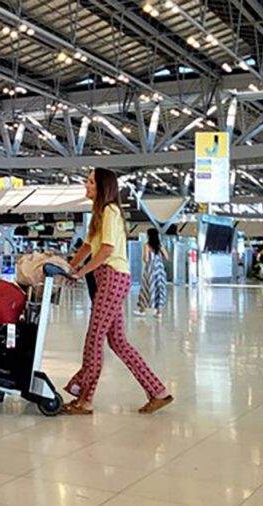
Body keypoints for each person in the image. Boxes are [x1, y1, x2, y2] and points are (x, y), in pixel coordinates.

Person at [65, 168, 173, 415]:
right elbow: (87, 247)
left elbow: (106, 250)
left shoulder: (110, 211)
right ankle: (158, 392)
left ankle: (84, 398)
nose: (86, 185)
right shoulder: (97, 214)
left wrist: (80, 273)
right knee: (118, 341)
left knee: (94, 339)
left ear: (102, 187)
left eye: (90, 182)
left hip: (112, 277)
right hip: (109, 278)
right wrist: (68, 267)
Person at [135, 228, 168, 318]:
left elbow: (146, 259)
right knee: (160, 289)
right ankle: (159, 312)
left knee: (146, 288)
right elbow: (166, 257)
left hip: (150, 269)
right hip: (159, 269)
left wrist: (145, 258)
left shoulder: (147, 245)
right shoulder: (160, 245)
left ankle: (142, 309)